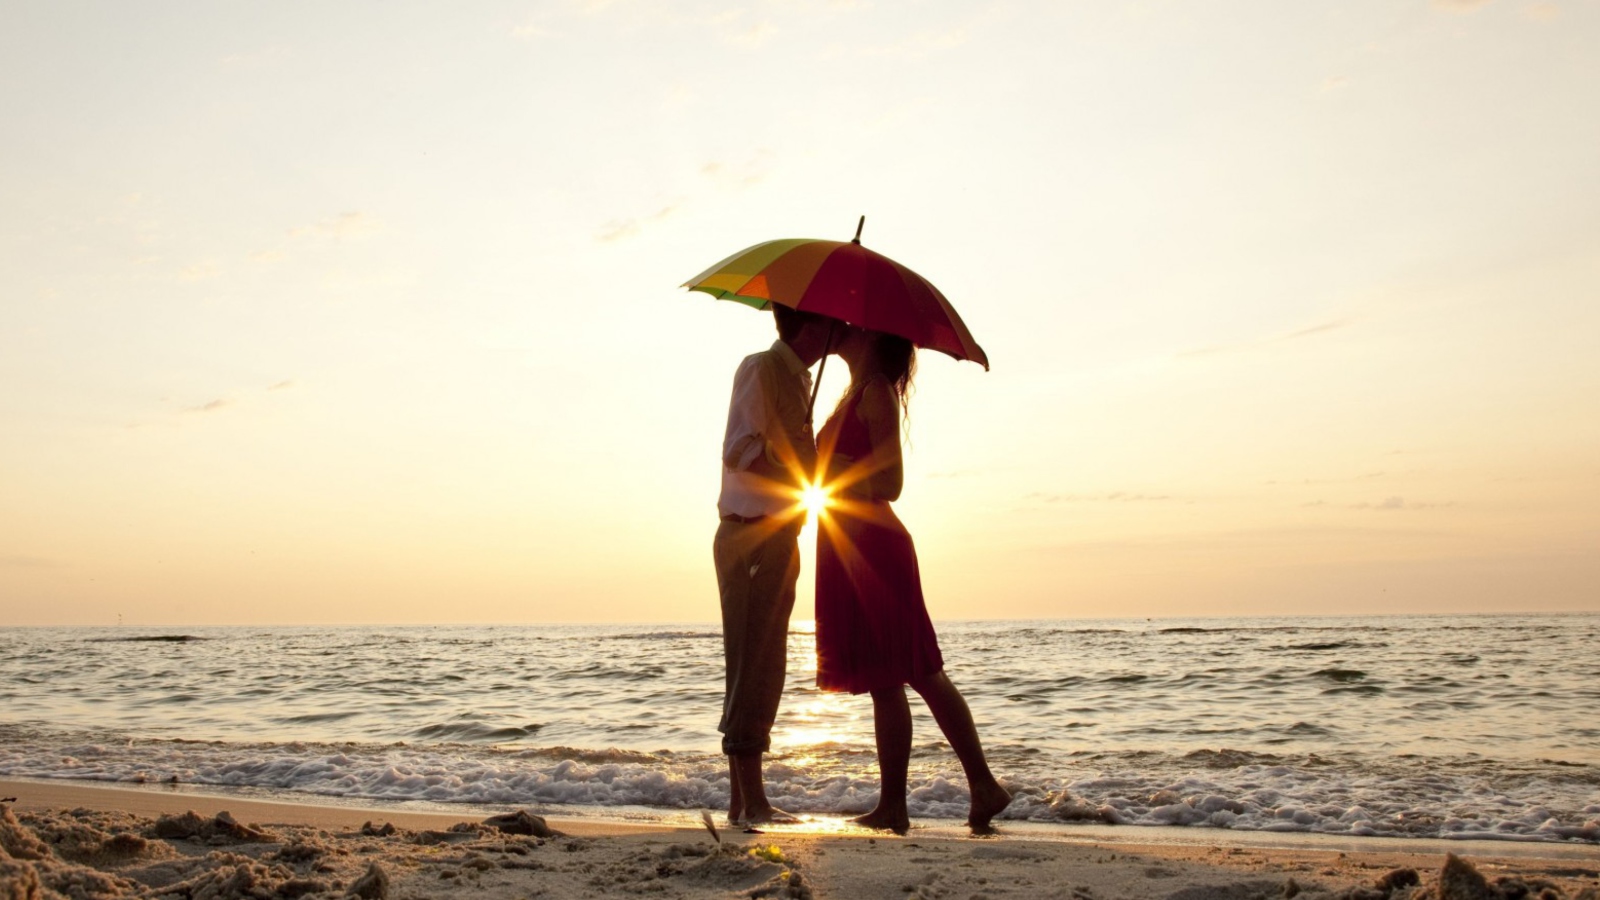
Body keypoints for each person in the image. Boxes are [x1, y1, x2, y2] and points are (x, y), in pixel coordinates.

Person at [813, 324, 1012, 835]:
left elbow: (891, 483)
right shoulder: (852, 392)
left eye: (852, 327)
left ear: (872, 337)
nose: (840, 329)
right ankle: (896, 805)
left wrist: (835, 466)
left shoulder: (876, 390)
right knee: (885, 680)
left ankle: (980, 785)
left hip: (875, 546)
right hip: (847, 542)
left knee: (919, 669)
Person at [714, 304, 834, 826]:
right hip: (751, 533)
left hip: (778, 533)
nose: (840, 331)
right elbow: (739, 448)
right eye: (833, 322)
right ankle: (752, 801)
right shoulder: (762, 368)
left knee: (768, 664)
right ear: (809, 325)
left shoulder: (799, 380)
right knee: (752, 663)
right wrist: (796, 470)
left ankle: (744, 802)